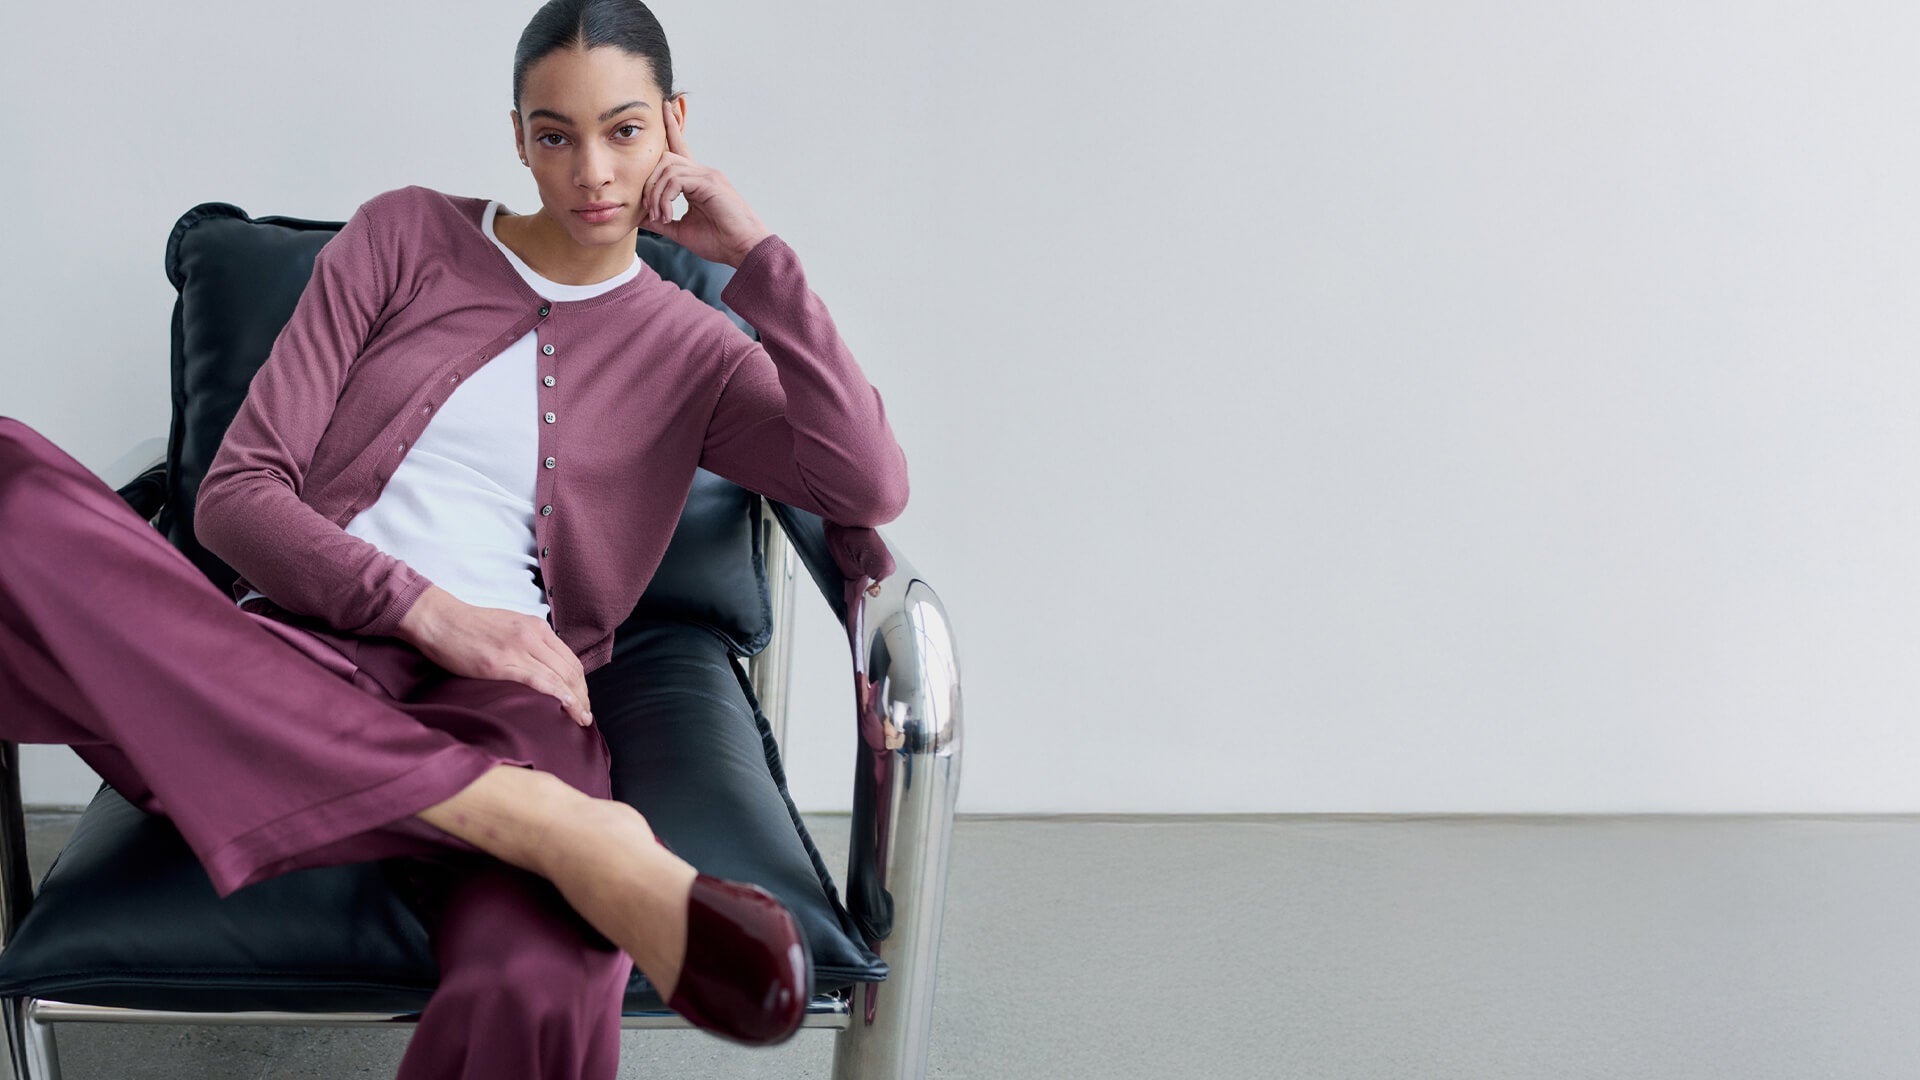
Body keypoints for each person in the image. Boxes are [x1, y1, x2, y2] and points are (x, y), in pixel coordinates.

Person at [0, 0, 908, 1076]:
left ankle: (506, 801)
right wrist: (429, 612)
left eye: (623, 130)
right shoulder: (406, 236)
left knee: (543, 974)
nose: (591, 174)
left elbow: (865, 478)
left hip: (513, 698)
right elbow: (238, 496)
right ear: (519, 136)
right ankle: (542, 821)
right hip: (287, 657)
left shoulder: (695, 348)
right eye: (555, 135)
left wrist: (757, 254)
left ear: (673, 125)